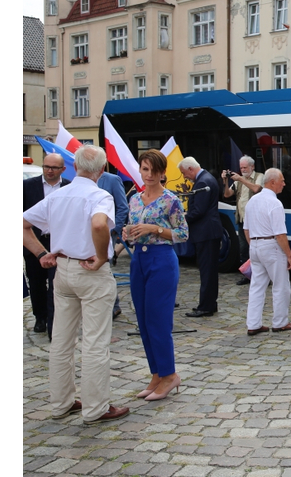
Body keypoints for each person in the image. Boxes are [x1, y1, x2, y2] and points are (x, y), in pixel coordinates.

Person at [22, 145, 130, 424]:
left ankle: (61, 403)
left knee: (61, 339)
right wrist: (101, 257)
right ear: (102, 170)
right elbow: (98, 225)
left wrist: (41, 253)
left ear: (74, 167)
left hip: (64, 270)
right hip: (89, 271)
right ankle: (95, 408)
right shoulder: (99, 195)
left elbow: (22, 223)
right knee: (94, 342)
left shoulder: (59, 195)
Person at [123, 149, 188, 401]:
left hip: (161, 260)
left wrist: (155, 228)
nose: (148, 175)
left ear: (162, 173)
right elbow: (131, 227)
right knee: (143, 320)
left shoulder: (170, 200)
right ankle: (157, 373)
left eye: (154, 170)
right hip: (138, 258)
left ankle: (170, 374)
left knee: (158, 320)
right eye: (145, 169)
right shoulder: (135, 200)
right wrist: (129, 233)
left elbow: (183, 234)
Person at [243, 168, 291, 334]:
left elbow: (246, 229)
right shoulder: (275, 203)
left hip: (255, 244)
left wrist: (254, 245)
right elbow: (280, 234)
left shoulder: (252, 201)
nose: (284, 183)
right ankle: (280, 322)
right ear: (272, 182)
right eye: (281, 180)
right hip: (271, 245)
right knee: (281, 286)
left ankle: (253, 324)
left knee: (257, 286)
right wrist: (290, 256)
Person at [23, 153, 70, 337]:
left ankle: (54, 318)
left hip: (58, 241)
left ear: (62, 169)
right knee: (36, 281)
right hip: (34, 240)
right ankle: (40, 317)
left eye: (54, 168)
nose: (49, 171)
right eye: (46, 167)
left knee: (55, 281)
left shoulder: (68, 187)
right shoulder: (27, 186)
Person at [179, 157, 223, 317]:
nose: (185, 177)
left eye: (184, 173)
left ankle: (206, 306)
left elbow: (198, 210)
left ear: (191, 169)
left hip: (206, 232)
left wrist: (181, 219)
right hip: (208, 232)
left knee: (207, 271)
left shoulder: (202, 182)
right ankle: (210, 303)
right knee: (208, 270)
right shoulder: (206, 179)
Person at [223, 156, 263, 286]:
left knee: (257, 249)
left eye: (245, 167)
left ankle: (261, 276)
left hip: (256, 221)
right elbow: (227, 194)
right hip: (242, 220)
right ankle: (248, 275)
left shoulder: (259, 176)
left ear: (252, 167)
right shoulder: (239, 181)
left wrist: (241, 178)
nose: (243, 170)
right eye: (241, 168)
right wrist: (225, 181)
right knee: (243, 249)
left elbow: (257, 189)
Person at [97, 170, 128, 318]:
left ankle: (113, 306)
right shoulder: (80, 178)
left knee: (105, 270)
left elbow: (122, 207)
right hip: (86, 233)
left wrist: (114, 230)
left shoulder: (112, 180)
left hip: (106, 232)